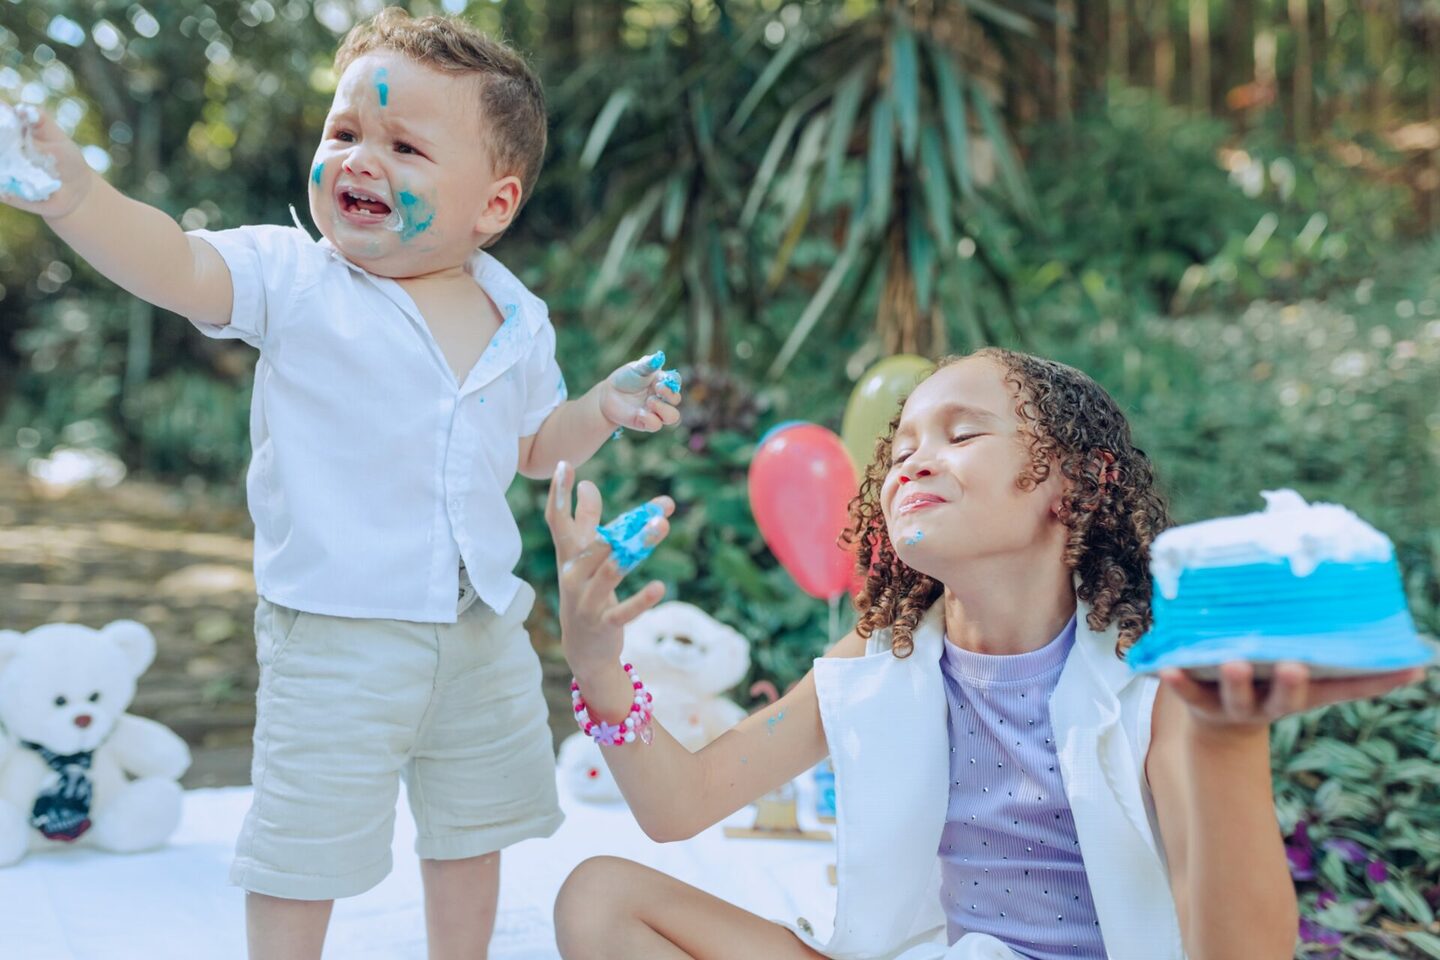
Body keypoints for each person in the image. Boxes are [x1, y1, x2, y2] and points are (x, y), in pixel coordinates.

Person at [1, 9, 681, 959]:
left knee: (473, 823)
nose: (362, 159)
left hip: (478, 621)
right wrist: (76, 197)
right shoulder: (296, 280)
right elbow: (175, 262)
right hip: (336, 629)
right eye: (344, 133)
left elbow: (533, 446)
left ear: (495, 203)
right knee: (303, 841)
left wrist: (602, 407)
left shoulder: (518, 318)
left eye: (404, 144)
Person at [542, 348, 1425, 960]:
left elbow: (1242, 951)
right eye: (901, 448)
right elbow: (679, 804)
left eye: (962, 435)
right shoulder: (884, 652)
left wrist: (1230, 739)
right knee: (600, 897)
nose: (912, 462)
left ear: (1077, 485)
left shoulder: (1154, 675)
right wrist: (594, 659)